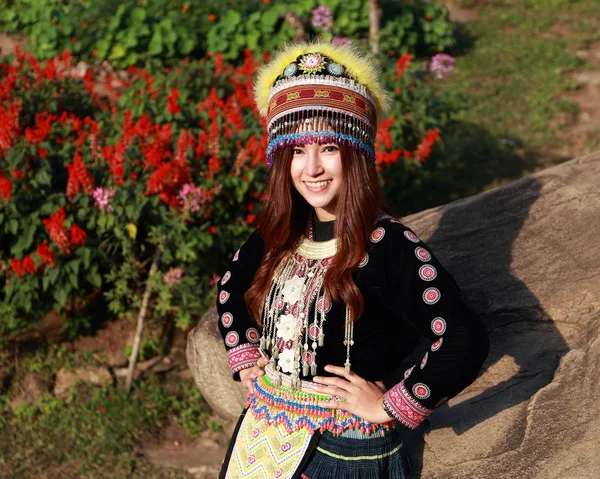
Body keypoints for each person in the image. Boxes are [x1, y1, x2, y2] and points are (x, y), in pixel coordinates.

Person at [215, 40, 489, 479]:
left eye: (328, 147)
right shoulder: (279, 233)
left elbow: (464, 337)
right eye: (297, 151)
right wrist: (245, 353)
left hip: (344, 452)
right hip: (260, 439)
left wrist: (390, 404)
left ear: (355, 152)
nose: (312, 168)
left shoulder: (388, 245)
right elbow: (230, 284)